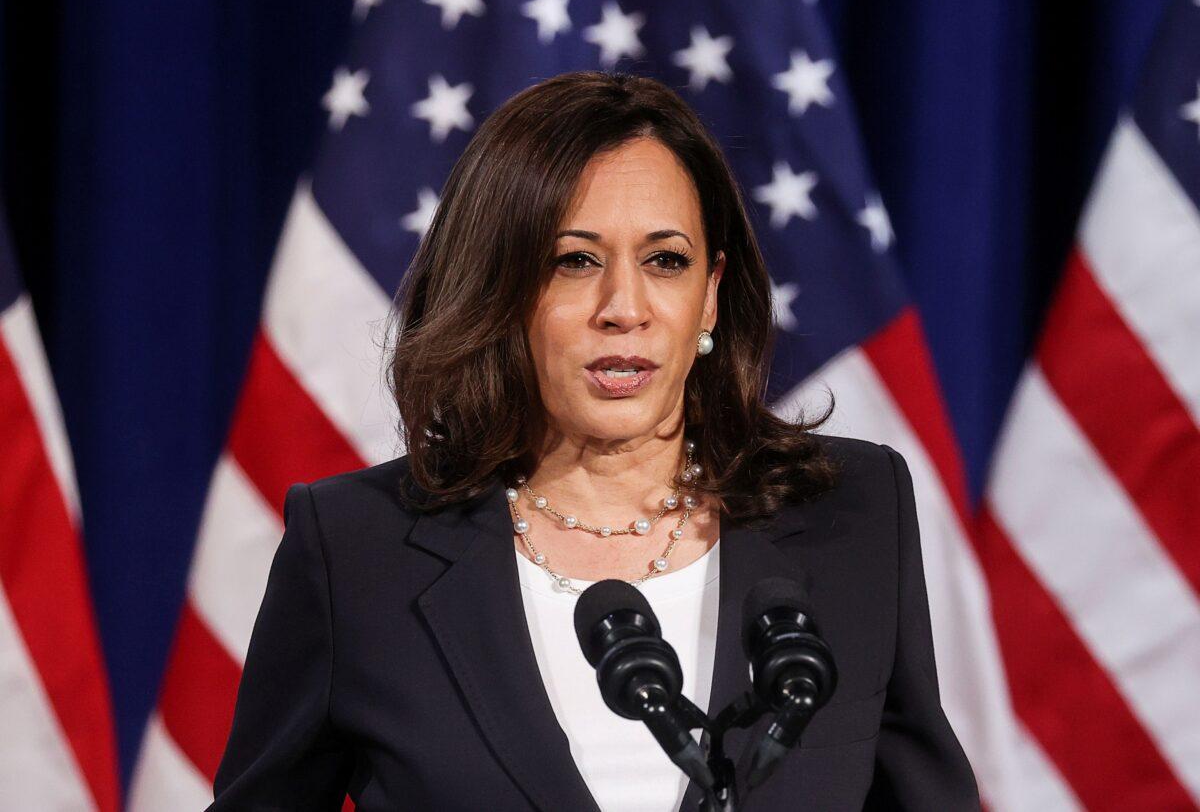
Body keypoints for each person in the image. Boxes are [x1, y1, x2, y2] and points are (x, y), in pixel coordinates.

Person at [208, 70, 980, 811]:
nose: (624, 307)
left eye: (665, 261)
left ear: (710, 296)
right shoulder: (358, 550)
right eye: (574, 262)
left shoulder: (855, 516)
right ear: (499, 290)